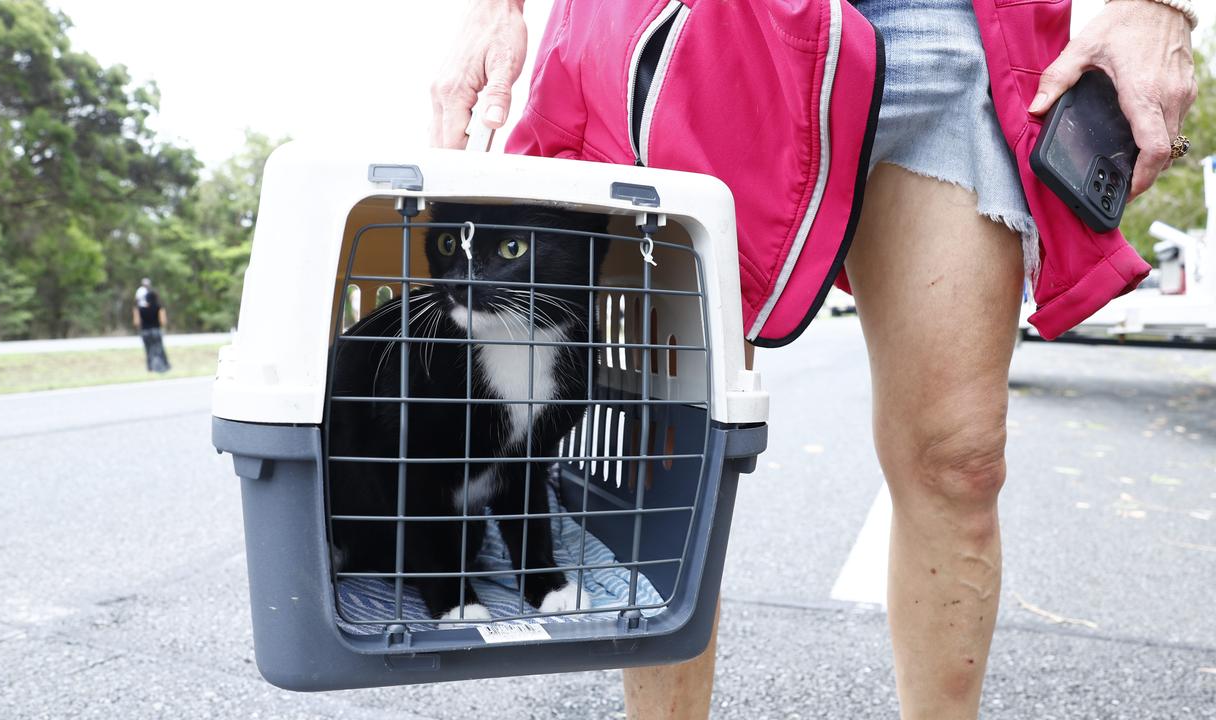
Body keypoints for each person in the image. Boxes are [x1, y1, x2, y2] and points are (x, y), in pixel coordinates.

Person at [430, 0, 1197, 717]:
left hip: (945, 34)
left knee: (958, 460)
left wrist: (1159, 8)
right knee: (678, 455)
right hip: (711, 35)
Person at [133, 278, 172, 373]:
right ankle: (164, 366)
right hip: (156, 330)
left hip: (145, 331)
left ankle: (150, 367)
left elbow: (136, 322)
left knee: (148, 350)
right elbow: (163, 321)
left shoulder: (140, 309)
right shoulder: (159, 307)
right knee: (159, 349)